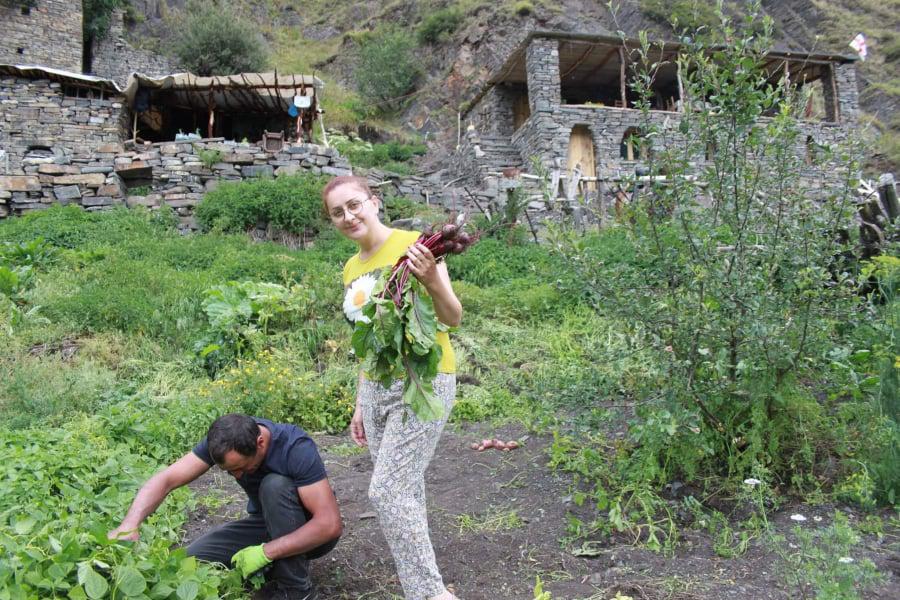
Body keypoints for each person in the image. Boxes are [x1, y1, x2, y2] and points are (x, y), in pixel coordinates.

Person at [322, 175, 462, 600]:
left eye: (354, 205)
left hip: (423, 380)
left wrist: (431, 278)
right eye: (337, 213)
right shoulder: (351, 268)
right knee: (406, 491)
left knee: (387, 491)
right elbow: (367, 340)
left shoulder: (415, 245)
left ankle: (431, 595)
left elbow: (452, 317)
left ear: (374, 202)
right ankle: (426, 587)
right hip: (377, 387)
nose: (349, 216)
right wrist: (360, 400)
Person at [108, 413, 341, 600]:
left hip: (310, 532)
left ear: (260, 443)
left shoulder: (295, 447)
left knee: (274, 485)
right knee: (191, 560)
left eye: (241, 468)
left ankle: (296, 590)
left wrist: (266, 552)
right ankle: (272, 568)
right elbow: (166, 479)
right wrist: (129, 525)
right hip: (265, 525)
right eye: (229, 471)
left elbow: (329, 525)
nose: (237, 475)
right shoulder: (224, 441)